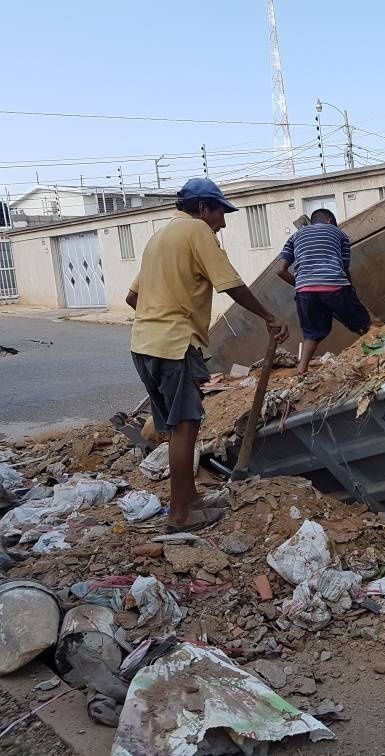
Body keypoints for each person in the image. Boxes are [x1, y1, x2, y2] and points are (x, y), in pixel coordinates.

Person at [126, 178, 289, 533]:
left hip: (144, 344)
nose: (223, 222)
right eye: (220, 212)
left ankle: (192, 502)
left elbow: (133, 298)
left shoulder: (160, 237)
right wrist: (270, 316)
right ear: (202, 208)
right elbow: (229, 282)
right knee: (185, 430)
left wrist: (165, 307)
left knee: (174, 429)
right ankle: (180, 515)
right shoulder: (197, 232)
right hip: (174, 345)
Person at [276, 207, 371, 374]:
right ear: (329, 221)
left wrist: (301, 285)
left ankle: (302, 369)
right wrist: (350, 291)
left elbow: (280, 270)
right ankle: (378, 348)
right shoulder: (339, 234)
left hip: (304, 291)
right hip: (334, 285)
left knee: (312, 333)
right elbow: (344, 267)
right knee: (361, 322)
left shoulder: (295, 236)